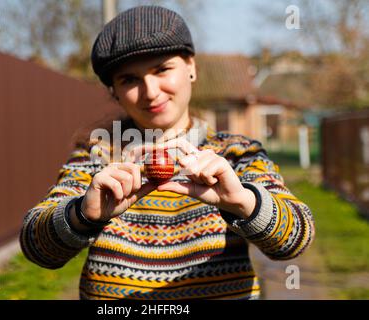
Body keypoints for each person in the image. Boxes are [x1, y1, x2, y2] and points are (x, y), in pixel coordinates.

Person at [20, 5, 315, 300]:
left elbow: (295, 238)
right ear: (114, 92)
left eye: (162, 69)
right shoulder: (98, 156)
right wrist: (82, 215)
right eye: (129, 79)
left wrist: (243, 202)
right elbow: (36, 247)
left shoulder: (236, 154)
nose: (150, 91)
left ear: (191, 67)